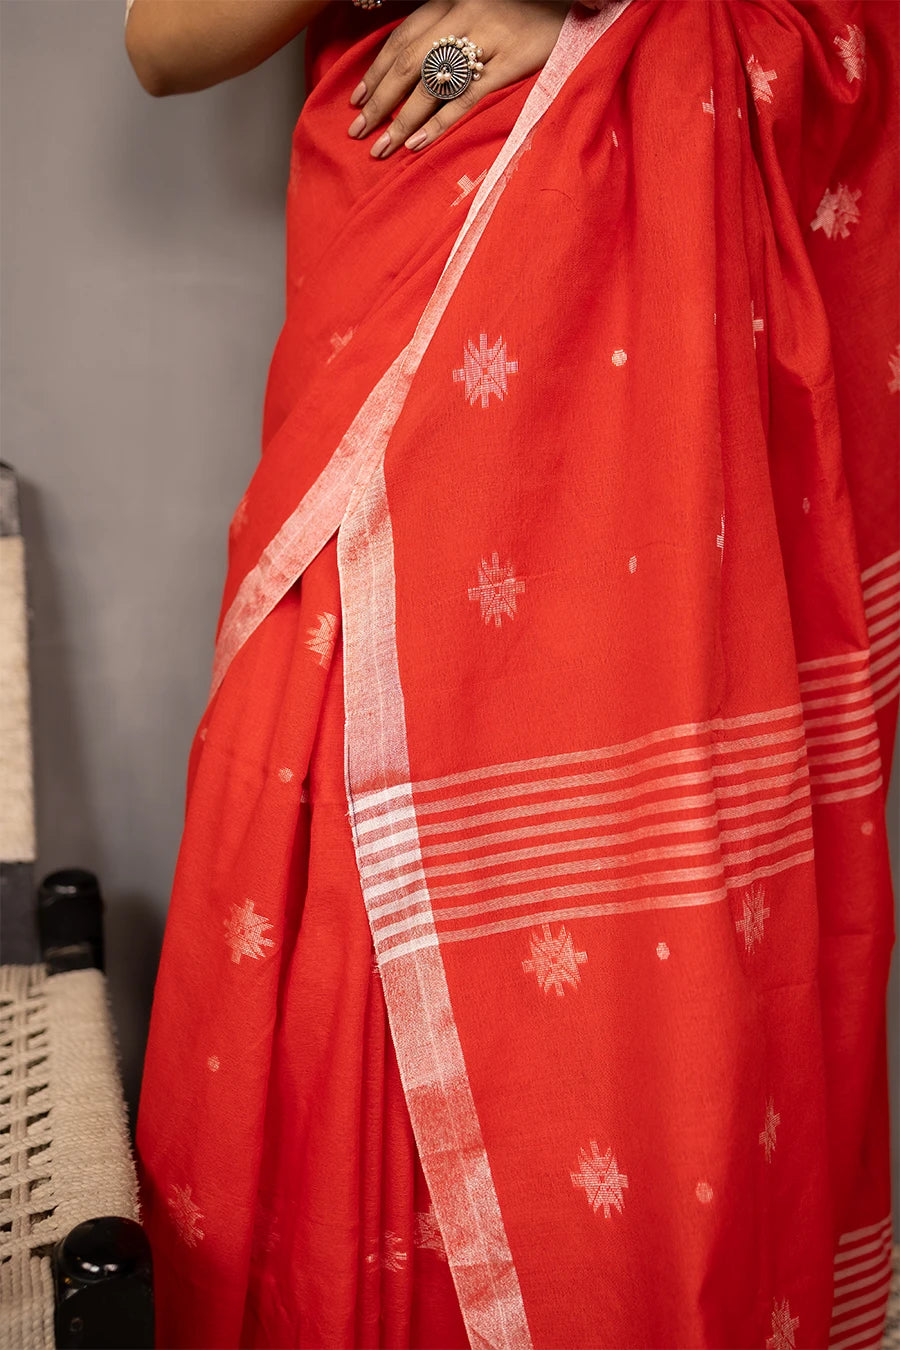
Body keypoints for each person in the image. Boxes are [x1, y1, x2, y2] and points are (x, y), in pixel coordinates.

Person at [126, 2, 899, 1347]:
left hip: (646, 321)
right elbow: (163, 38)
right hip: (400, 285)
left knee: (629, 890)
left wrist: (615, 18)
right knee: (353, 807)